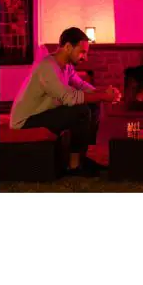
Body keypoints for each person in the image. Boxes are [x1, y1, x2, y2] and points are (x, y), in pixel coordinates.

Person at [10, 27, 122, 175]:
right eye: (82, 52)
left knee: (93, 105)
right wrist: (103, 96)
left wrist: (106, 93)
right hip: (26, 121)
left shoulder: (66, 67)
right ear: (68, 47)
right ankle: (74, 166)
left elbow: (82, 86)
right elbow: (69, 98)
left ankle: (82, 157)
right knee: (80, 110)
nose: (85, 58)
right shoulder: (47, 67)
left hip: (43, 114)